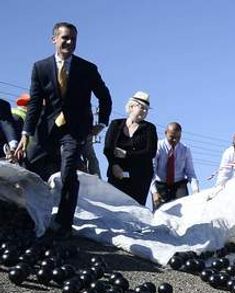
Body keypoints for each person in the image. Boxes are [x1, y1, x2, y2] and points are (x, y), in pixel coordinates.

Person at [12, 21, 113, 240]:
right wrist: (25, 135)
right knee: (32, 166)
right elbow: (36, 103)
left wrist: (102, 123)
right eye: (65, 38)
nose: (69, 42)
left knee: (68, 172)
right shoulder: (40, 68)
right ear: (54, 39)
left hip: (75, 128)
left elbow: (104, 97)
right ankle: (29, 215)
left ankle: (63, 224)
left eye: (73, 39)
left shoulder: (87, 69)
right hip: (47, 126)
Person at [102, 92, 156, 205]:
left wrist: (127, 154)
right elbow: (108, 148)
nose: (145, 112)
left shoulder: (149, 128)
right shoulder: (116, 124)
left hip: (139, 178)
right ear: (131, 106)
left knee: (135, 212)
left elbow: (150, 153)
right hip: (116, 175)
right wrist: (114, 165)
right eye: (142, 108)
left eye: (147, 109)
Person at [150, 122, 197, 208]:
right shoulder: (158, 147)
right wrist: (154, 192)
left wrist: (195, 189)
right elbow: (151, 170)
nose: (175, 140)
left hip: (179, 184)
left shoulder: (185, 150)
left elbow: (190, 172)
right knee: (161, 213)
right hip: (160, 184)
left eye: (178, 137)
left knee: (184, 212)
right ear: (165, 133)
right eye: (172, 137)